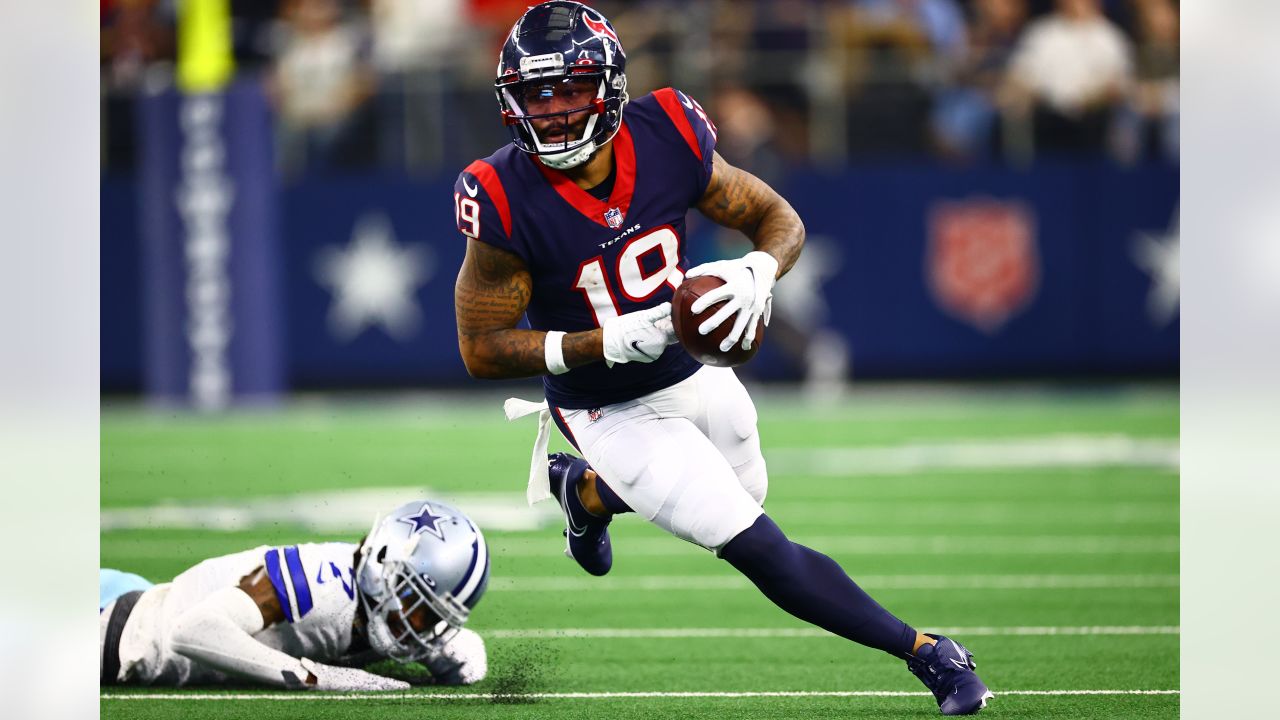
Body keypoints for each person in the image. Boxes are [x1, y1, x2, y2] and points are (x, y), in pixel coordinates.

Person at [452, 2, 991, 714]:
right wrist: (604, 342)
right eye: (535, 93)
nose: (551, 111)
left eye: (571, 90)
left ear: (610, 87)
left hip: (695, 370)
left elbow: (779, 219)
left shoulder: (668, 130)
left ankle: (585, 494)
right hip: (605, 406)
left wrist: (758, 272)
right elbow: (480, 349)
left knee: (747, 491)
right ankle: (930, 655)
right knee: (756, 542)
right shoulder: (499, 193)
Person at [99, 500, 489, 690]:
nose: (418, 629)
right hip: (117, 634)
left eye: (434, 618)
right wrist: (315, 677)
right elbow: (190, 631)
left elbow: (465, 659)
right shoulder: (317, 584)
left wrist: (456, 653)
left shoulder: (381, 600)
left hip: (144, 598)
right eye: (416, 607)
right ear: (382, 567)